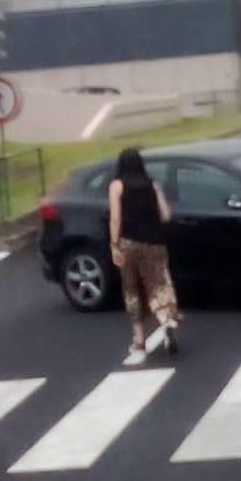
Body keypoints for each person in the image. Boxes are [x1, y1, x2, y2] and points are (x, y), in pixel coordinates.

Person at [109, 147, 181, 364]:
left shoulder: (117, 186)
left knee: (132, 290)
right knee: (159, 285)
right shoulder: (153, 185)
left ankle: (139, 340)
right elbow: (166, 215)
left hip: (129, 244)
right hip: (155, 243)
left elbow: (115, 218)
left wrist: (114, 244)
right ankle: (166, 320)